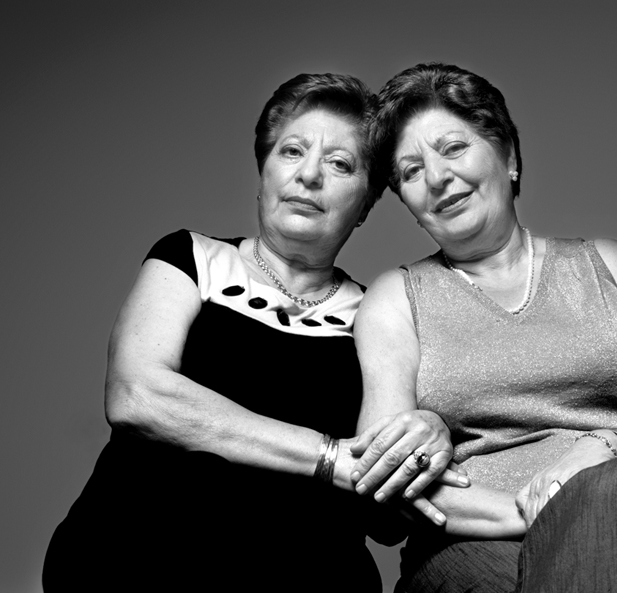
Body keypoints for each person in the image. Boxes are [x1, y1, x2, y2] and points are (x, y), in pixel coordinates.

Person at [42, 72, 458, 592]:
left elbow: (384, 517)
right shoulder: (190, 257)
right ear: (263, 174)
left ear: (365, 205)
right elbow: (137, 396)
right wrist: (329, 456)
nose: (309, 175)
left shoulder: (384, 313)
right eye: (292, 152)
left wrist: (427, 431)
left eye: (340, 164)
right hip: (134, 559)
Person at [354, 63, 617, 592]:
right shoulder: (396, 299)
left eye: (453, 148)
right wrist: (533, 511)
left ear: (509, 157)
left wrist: (604, 449)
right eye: (410, 171)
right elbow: (385, 479)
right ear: (407, 201)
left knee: (609, 492)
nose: (436, 177)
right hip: (476, 546)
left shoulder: (609, 265)